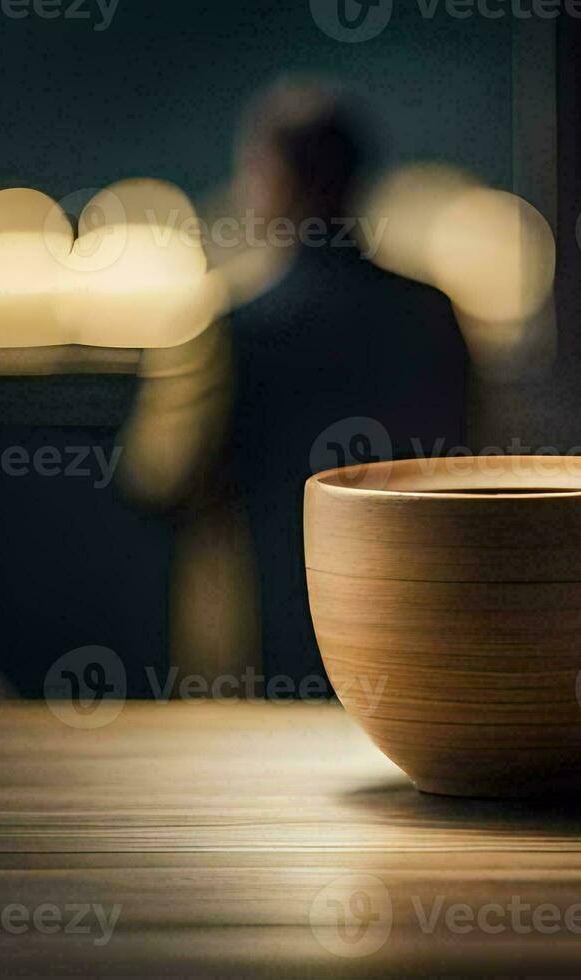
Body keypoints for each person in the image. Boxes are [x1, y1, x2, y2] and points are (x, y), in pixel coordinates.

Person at [223, 79, 469, 684]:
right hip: (418, 613)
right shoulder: (431, 312)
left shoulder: (241, 328)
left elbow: (160, 478)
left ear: (276, 180)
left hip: (270, 617)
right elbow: (469, 452)